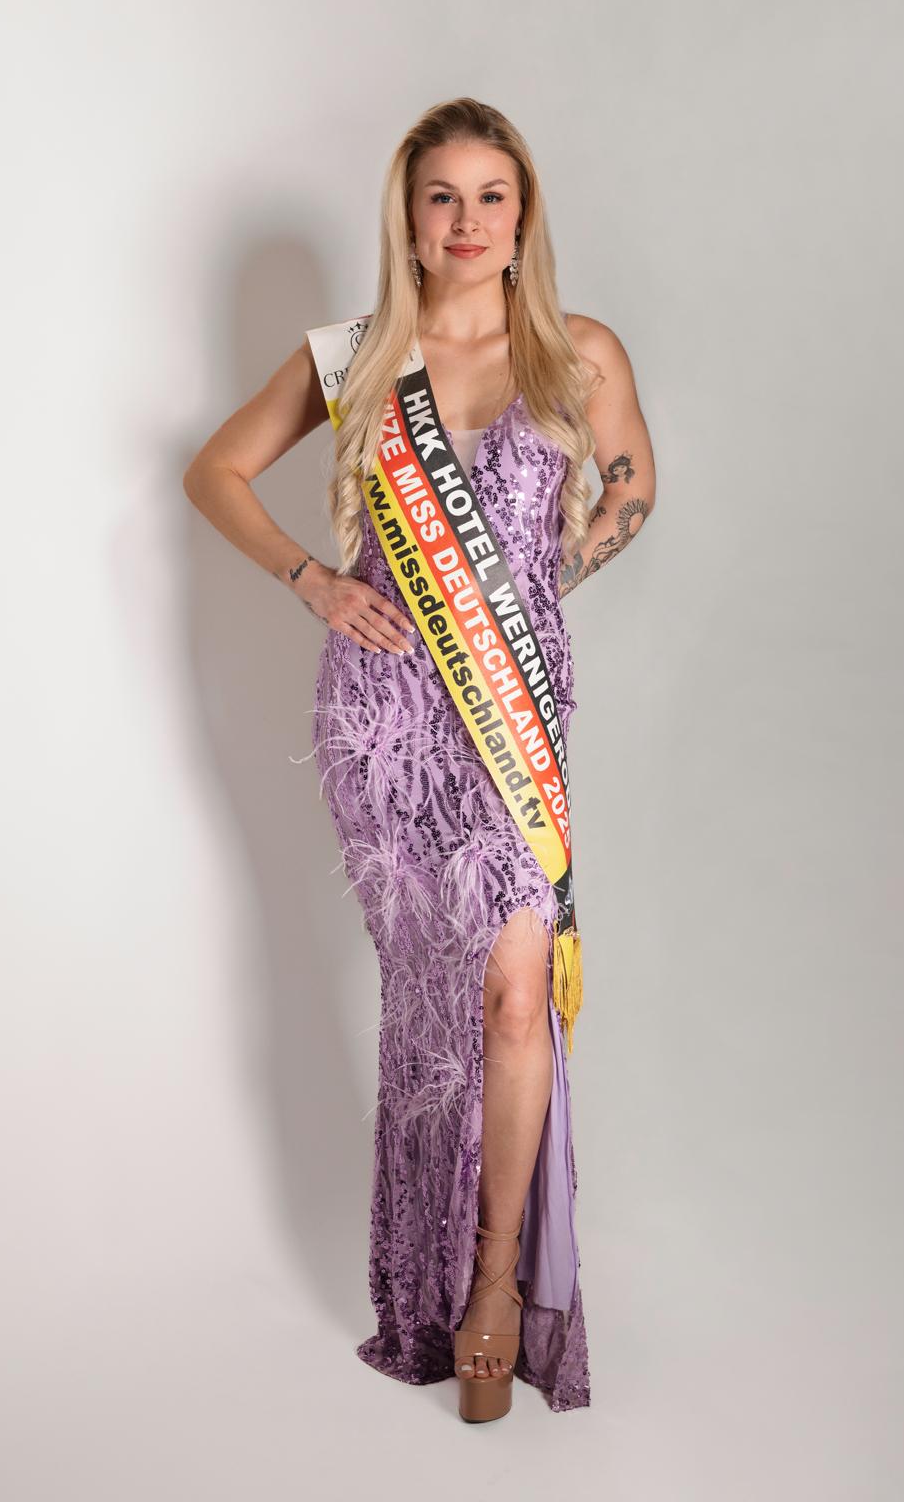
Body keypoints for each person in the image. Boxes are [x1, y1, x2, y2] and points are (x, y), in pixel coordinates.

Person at [183, 96, 656, 1420]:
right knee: (435, 1011)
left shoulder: (576, 351)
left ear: (524, 214)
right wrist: (312, 580)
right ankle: (422, 1272)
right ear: (408, 213)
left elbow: (632, 485)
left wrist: (551, 583)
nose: (466, 220)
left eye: (491, 195)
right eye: (441, 195)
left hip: (510, 717)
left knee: (515, 993)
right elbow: (215, 471)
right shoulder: (355, 358)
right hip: (386, 719)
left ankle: (493, 1281)